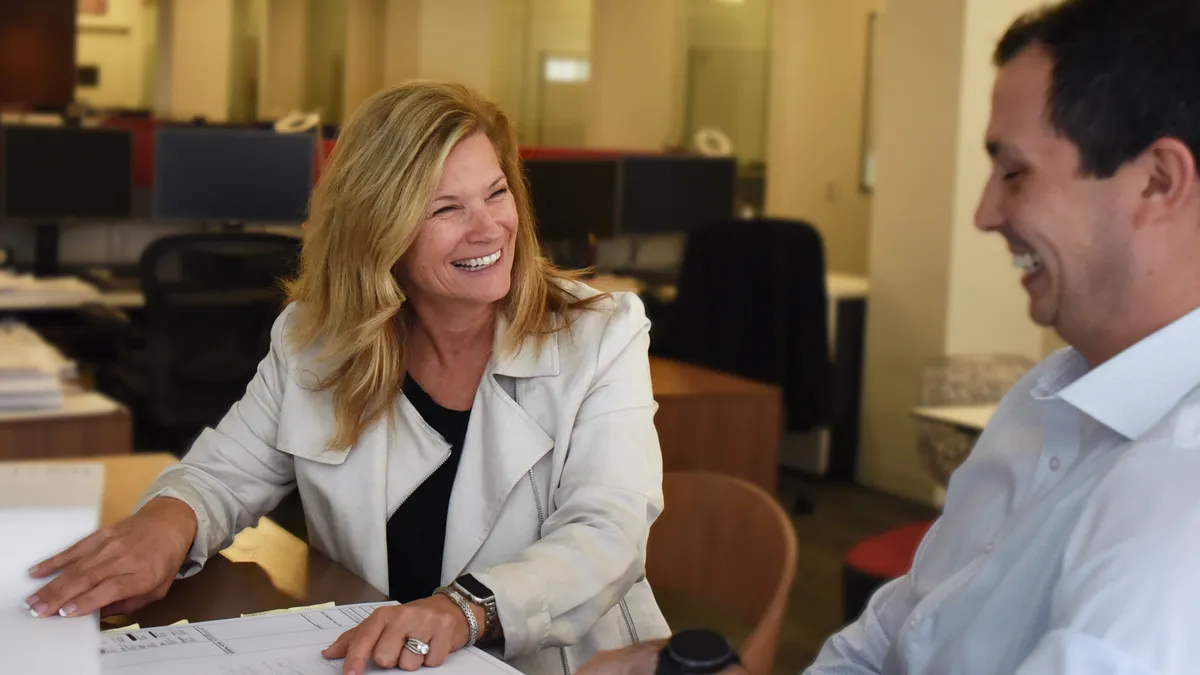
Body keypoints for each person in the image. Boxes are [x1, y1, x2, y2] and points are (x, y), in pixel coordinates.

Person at [581, 0, 1200, 673]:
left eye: (1015, 172)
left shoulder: (1178, 494)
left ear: (1159, 181)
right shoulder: (1039, 402)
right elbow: (896, 634)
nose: (985, 212)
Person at [22, 81, 670, 675]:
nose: (490, 227)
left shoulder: (600, 336)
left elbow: (606, 530)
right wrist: (166, 523)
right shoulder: (317, 338)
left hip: (557, 664)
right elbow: (223, 471)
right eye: (446, 208)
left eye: (496, 193)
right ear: (378, 230)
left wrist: (462, 609)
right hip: (374, 658)